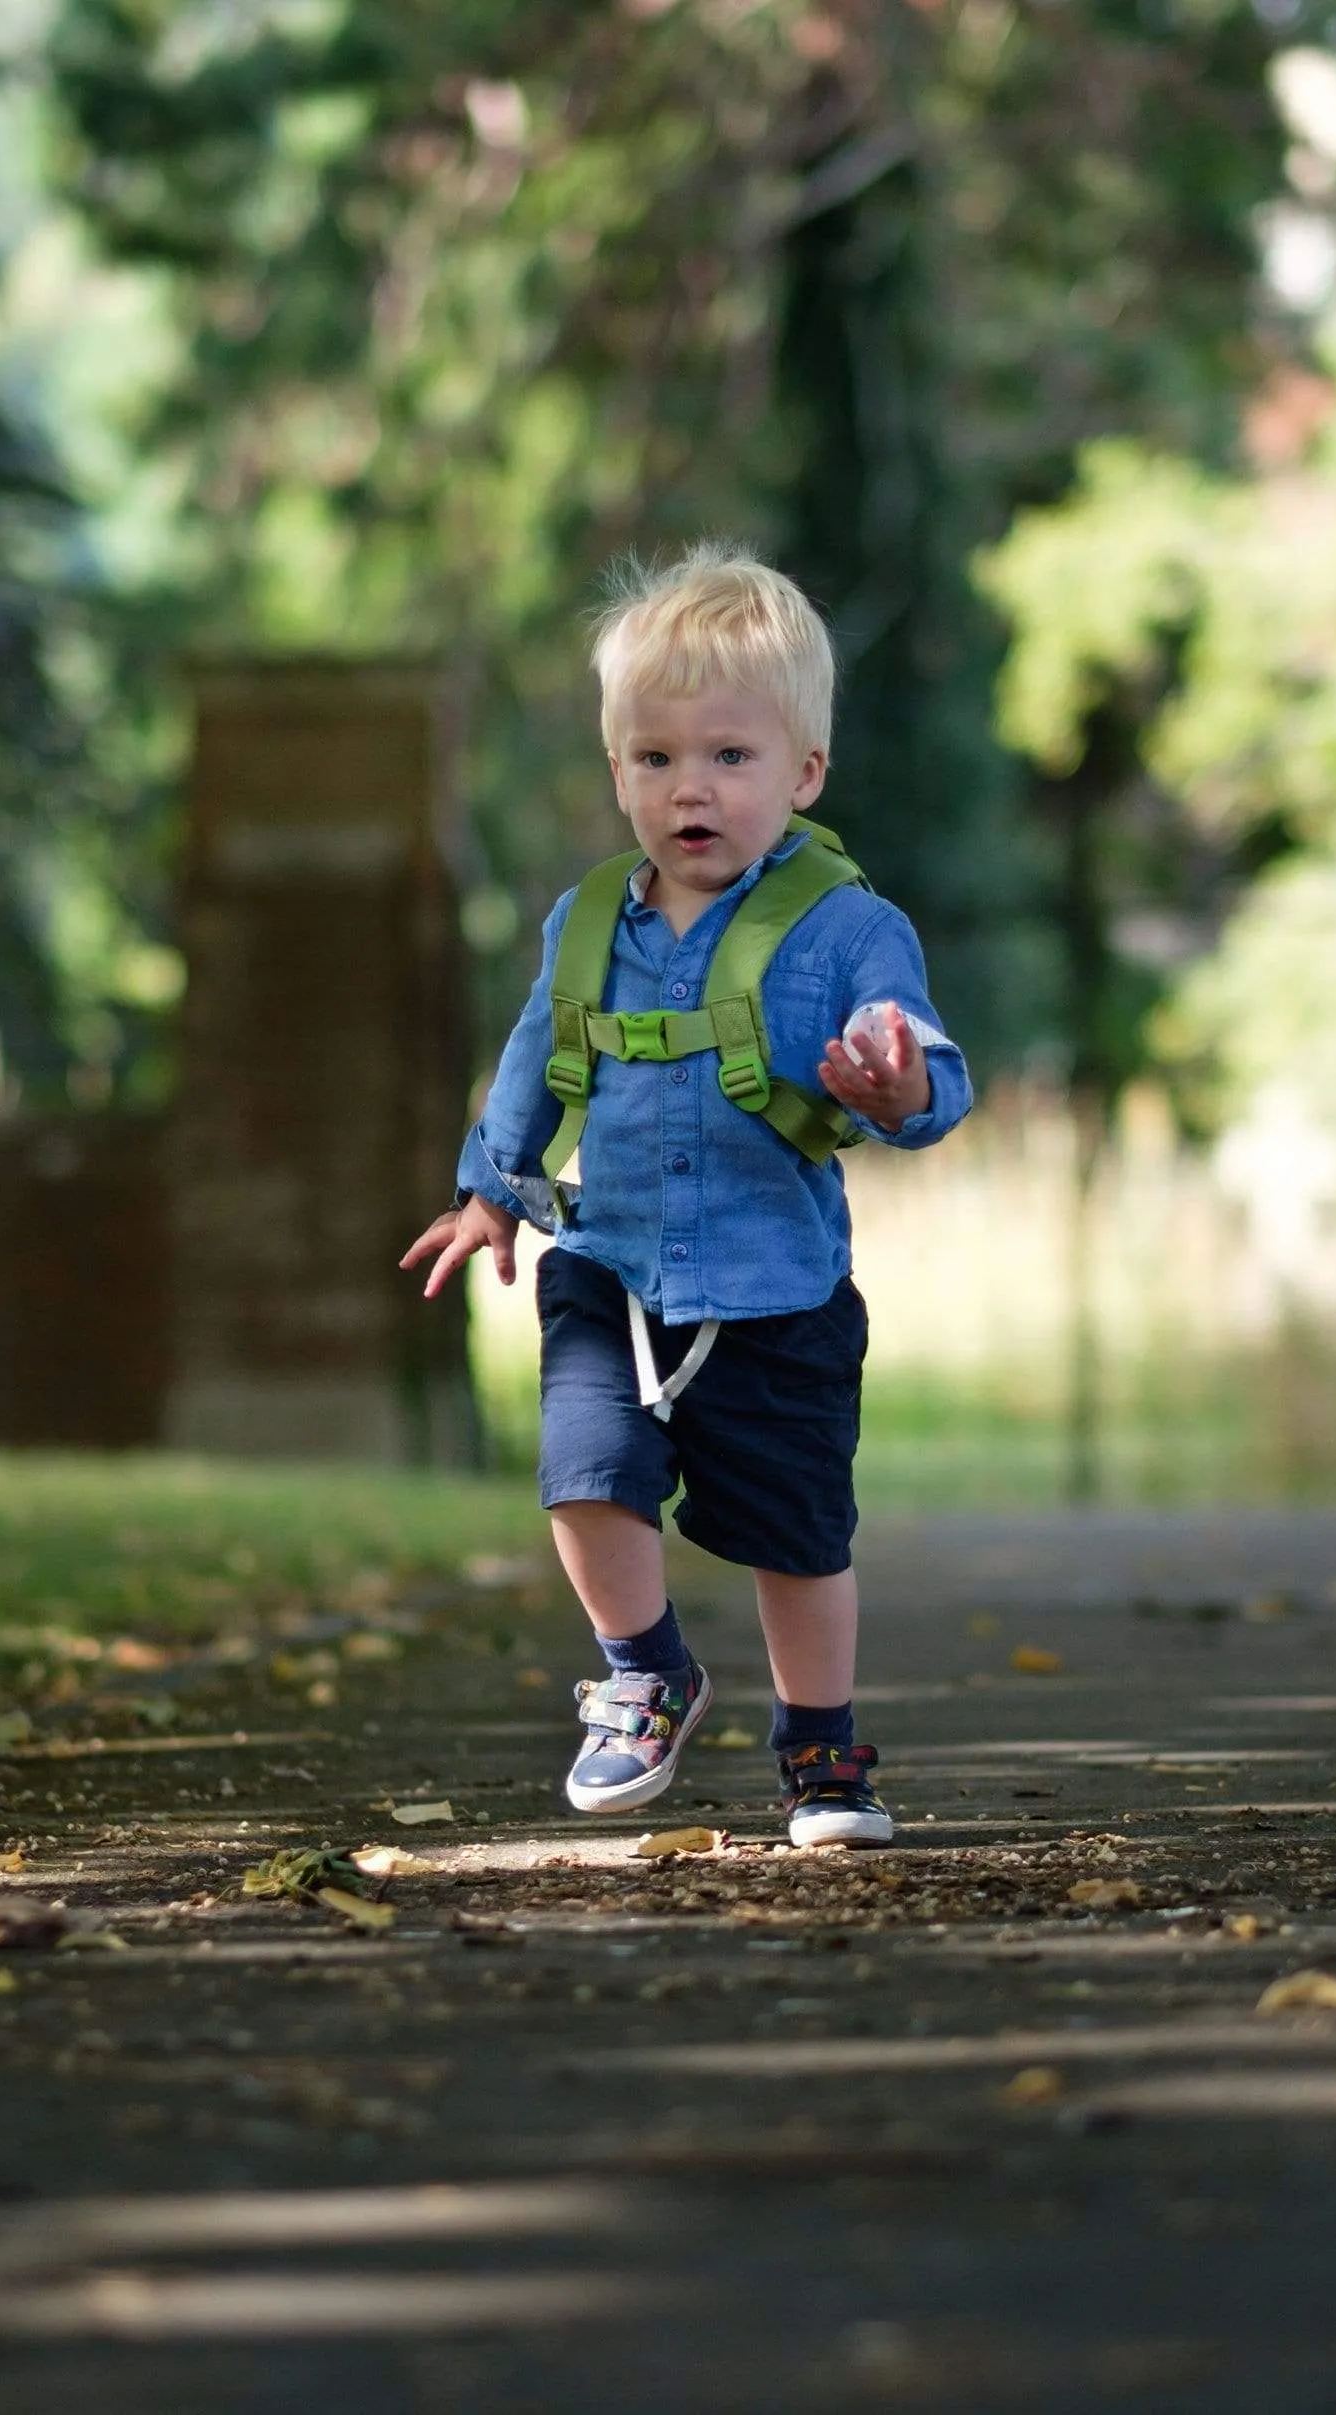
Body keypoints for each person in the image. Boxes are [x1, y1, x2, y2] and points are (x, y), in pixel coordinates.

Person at [402, 544, 972, 1847]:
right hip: (612, 1265)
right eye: (654, 760)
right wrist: (489, 1186)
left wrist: (895, 1087)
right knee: (582, 1471)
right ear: (618, 774)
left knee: (798, 1539)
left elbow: (925, 1060)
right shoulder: (589, 918)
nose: (689, 788)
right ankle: (645, 1668)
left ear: (805, 770)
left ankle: (823, 1753)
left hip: (778, 1290)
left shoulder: (845, 928)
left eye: (728, 755)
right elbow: (538, 1049)